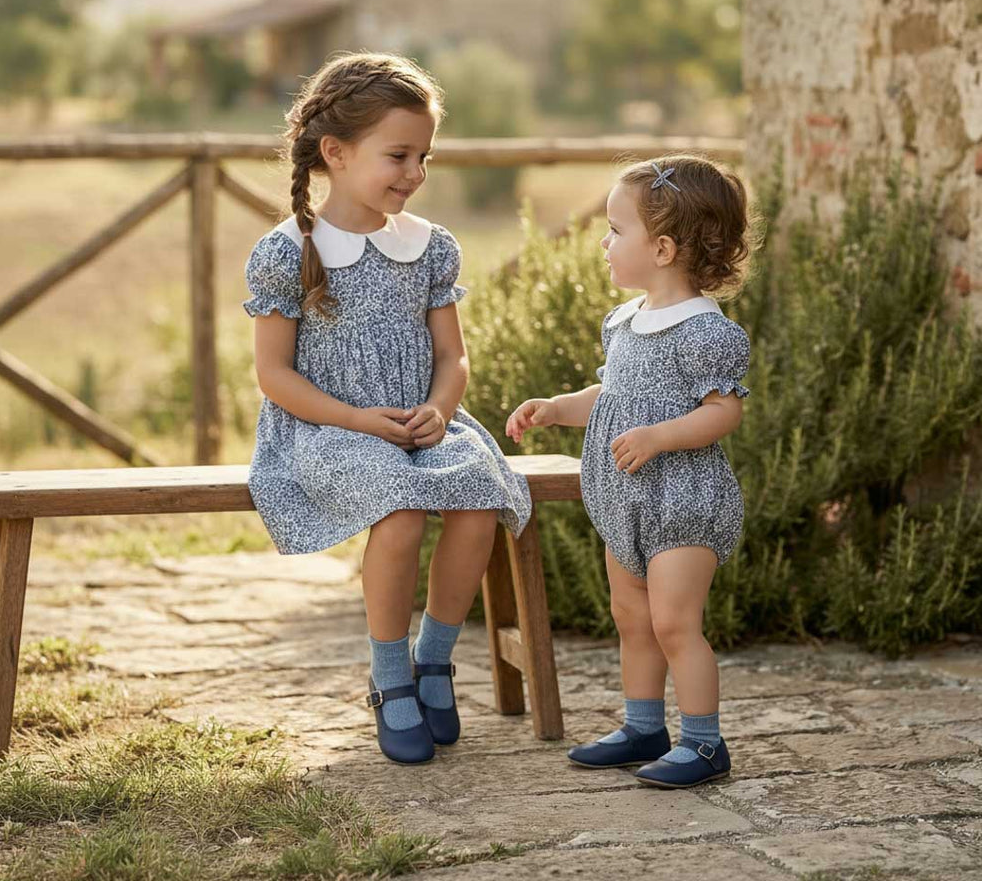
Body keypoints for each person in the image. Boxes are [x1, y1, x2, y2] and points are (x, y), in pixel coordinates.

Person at [244, 52, 532, 765]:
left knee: (477, 501)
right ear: (336, 154)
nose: (415, 172)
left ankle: (433, 657)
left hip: (420, 421)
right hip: (325, 428)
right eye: (398, 154)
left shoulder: (431, 247)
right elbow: (273, 375)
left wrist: (440, 407)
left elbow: (452, 358)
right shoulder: (289, 252)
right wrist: (357, 419)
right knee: (400, 510)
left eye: (424, 156)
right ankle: (389, 673)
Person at [506, 155, 754, 788]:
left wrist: (661, 437)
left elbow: (723, 412)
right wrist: (558, 409)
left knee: (675, 622)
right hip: (627, 500)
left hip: (684, 502)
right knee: (632, 616)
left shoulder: (705, 330)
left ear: (664, 247)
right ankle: (644, 725)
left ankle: (704, 744)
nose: (604, 242)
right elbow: (614, 395)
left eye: (616, 229)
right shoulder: (625, 321)